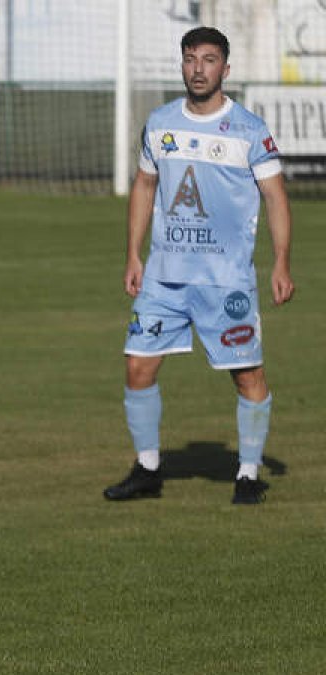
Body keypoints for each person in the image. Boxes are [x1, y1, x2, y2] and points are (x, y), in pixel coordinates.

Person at [104, 27, 295, 506]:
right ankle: (148, 469)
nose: (198, 68)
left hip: (225, 281)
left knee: (247, 374)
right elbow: (145, 187)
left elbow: (275, 198)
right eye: (190, 59)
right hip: (165, 277)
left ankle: (249, 474)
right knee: (137, 367)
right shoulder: (161, 122)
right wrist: (133, 253)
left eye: (208, 60)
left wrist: (281, 263)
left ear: (225, 69)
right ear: (182, 65)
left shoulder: (249, 131)